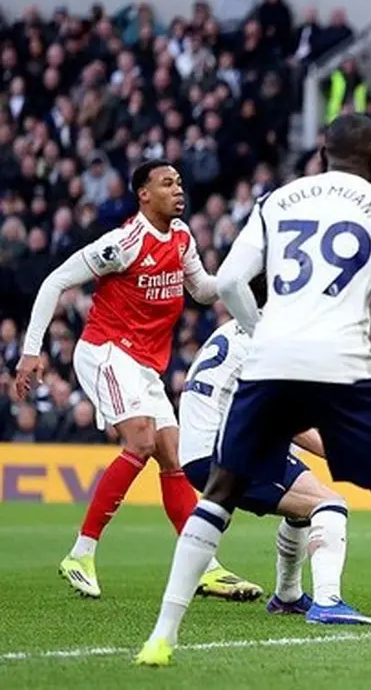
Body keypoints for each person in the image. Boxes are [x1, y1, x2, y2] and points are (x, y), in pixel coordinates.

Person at [134, 114, 371, 675]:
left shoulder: (275, 200)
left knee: (217, 497)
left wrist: (258, 330)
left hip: (272, 360)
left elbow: (227, 282)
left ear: (322, 155)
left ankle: (160, 638)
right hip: (344, 360)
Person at [13, 160, 259, 602]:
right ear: (143, 194)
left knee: (172, 455)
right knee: (142, 440)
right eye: (167, 184)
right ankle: (81, 553)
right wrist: (32, 350)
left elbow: (203, 290)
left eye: (179, 182)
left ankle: (204, 567)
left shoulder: (181, 237)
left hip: (145, 363)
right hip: (106, 350)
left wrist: (238, 278)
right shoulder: (123, 243)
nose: (178, 190)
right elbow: (55, 282)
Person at [176, 275, 371, 625]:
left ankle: (288, 596)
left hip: (203, 447)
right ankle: (328, 601)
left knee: (302, 509)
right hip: (224, 451)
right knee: (329, 504)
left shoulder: (232, 329)